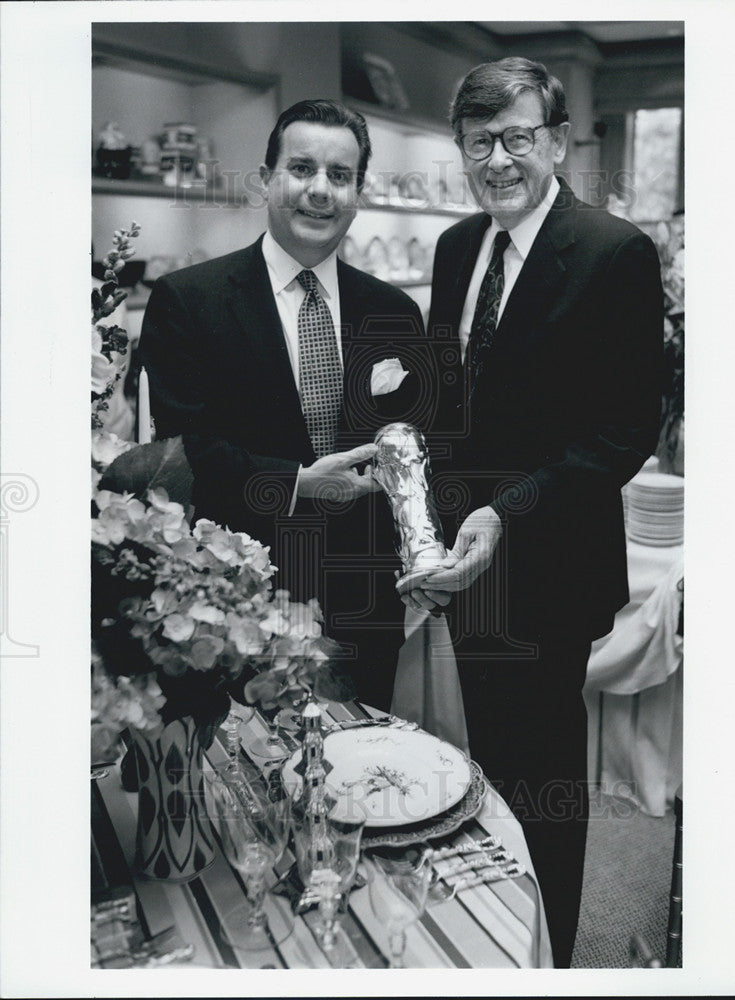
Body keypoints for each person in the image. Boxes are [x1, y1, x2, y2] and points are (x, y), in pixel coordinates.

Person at [405, 58, 663, 966]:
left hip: (547, 564)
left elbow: (623, 428)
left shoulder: (612, 251)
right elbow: (449, 401)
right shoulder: (452, 249)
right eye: (481, 142)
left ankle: (546, 954)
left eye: (518, 137)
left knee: (541, 773)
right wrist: (417, 497)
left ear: (555, 140)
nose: (499, 159)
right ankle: (492, 935)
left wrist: (503, 514)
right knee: (480, 764)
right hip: (464, 564)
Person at [139, 100, 427, 712]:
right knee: (250, 783)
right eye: (301, 169)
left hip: (364, 606)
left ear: (357, 191)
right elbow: (187, 453)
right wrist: (297, 484)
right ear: (266, 177)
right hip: (239, 604)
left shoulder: (396, 312)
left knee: (360, 776)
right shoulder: (189, 302)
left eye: (340, 175)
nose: (320, 190)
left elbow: (411, 444)